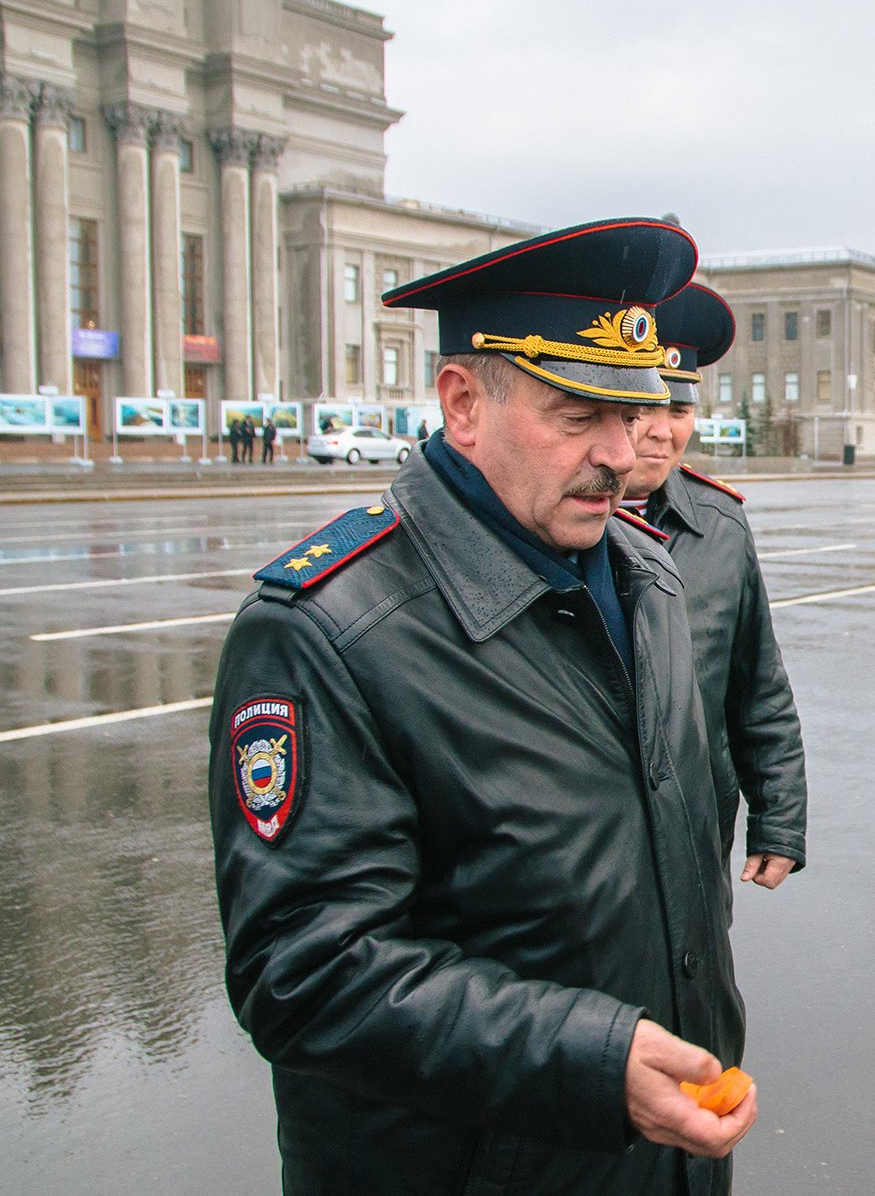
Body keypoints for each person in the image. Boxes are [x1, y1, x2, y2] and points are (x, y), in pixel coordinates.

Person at [207, 219, 753, 1196]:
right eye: (579, 414)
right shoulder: (327, 630)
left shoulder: (649, 578)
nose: (622, 455)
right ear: (463, 402)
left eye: (631, 413)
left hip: (660, 1150)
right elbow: (305, 970)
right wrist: (590, 1059)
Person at [625, 280, 808, 890]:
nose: (660, 430)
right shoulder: (556, 523)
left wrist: (779, 818)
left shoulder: (720, 524)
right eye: (640, 409)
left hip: (698, 829)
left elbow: (758, 684)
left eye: (677, 410)